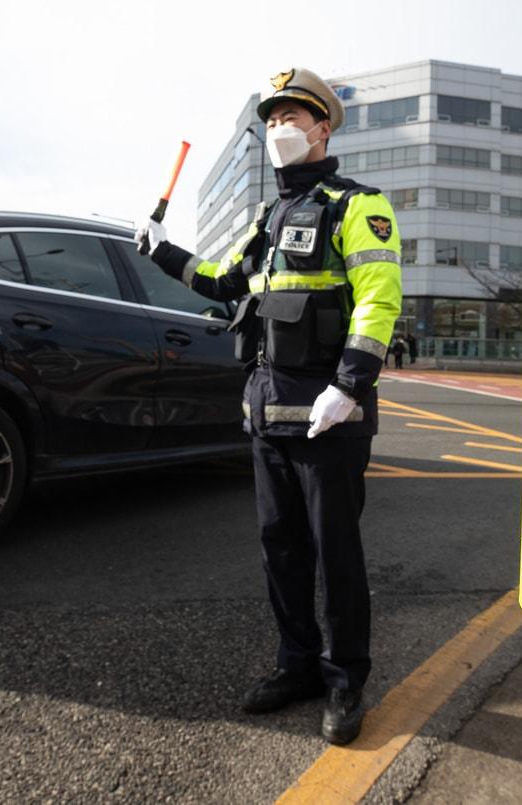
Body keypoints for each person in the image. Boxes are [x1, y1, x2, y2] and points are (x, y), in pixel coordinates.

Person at [135, 67, 402, 745]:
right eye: (273, 118)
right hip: (268, 414)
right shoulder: (266, 216)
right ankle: (297, 664)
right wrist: (162, 251)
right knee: (280, 549)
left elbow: (378, 298)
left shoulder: (357, 205)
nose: (281, 127)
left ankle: (345, 677)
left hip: (329, 415)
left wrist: (350, 384)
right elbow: (224, 282)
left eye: (294, 116)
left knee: (335, 552)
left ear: (323, 128)